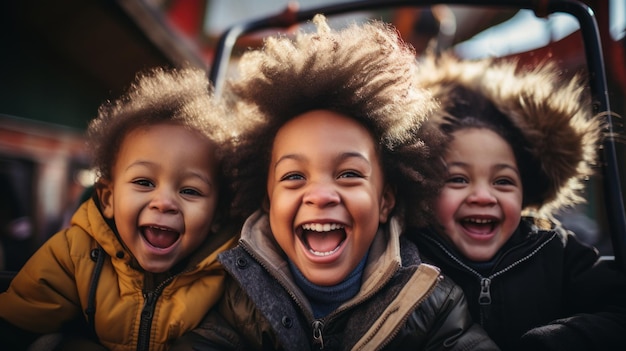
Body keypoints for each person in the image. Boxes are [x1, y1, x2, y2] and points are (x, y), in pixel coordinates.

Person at [171, 15, 499, 350]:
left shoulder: (432, 304)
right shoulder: (233, 299)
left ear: (385, 200)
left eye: (349, 174)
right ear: (268, 202)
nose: (321, 195)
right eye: (294, 176)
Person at [0, 66, 240, 351]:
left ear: (217, 215)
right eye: (143, 182)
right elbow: (16, 326)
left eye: (190, 190)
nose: (163, 202)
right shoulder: (74, 255)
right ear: (108, 199)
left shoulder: (229, 273)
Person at [408, 53, 626, 350]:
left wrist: (554, 342)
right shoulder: (410, 257)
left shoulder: (552, 250)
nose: (483, 196)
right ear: (425, 190)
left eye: (503, 181)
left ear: (526, 194)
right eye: (458, 179)